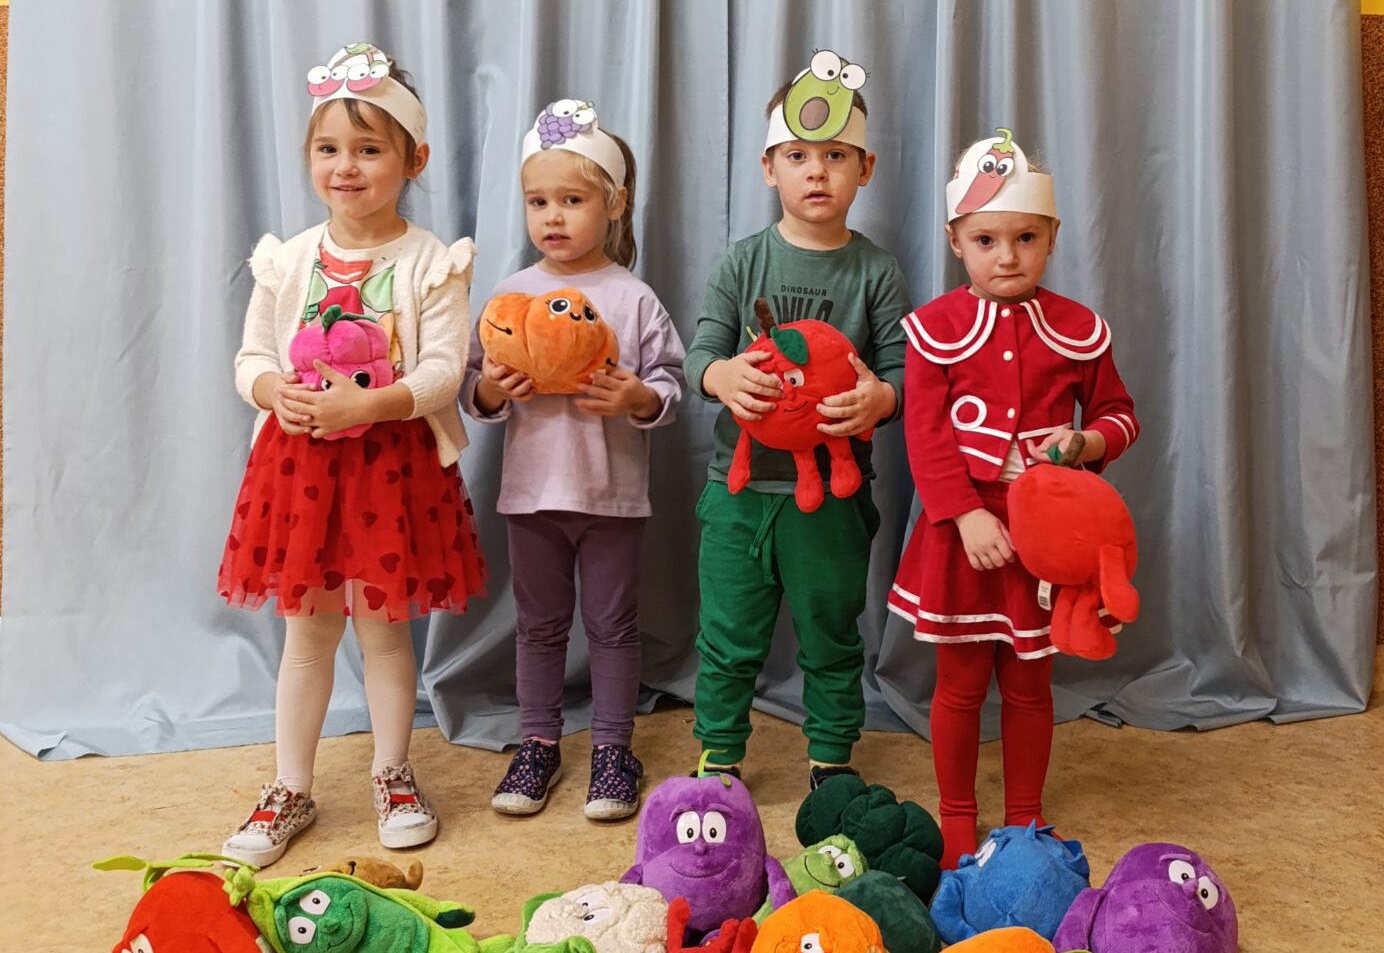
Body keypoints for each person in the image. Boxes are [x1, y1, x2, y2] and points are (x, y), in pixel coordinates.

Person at [218, 43, 485, 861]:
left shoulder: (431, 262)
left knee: (385, 635)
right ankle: (289, 787)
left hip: (388, 474)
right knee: (307, 637)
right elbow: (250, 359)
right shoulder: (288, 259)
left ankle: (393, 772)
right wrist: (274, 390)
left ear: (414, 161)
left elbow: (443, 370)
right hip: (300, 473)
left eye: (368, 149)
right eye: (329, 149)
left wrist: (372, 403)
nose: (346, 167)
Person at [889, 130, 1140, 867]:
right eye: (986, 240)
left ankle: (1025, 816)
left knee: (1031, 684)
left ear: (1052, 237)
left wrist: (1087, 443)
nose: (1007, 256)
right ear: (955, 242)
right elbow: (925, 435)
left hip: (1044, 543)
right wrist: (965, 515)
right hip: (961, 533)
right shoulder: (933, 331)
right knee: (960, 684)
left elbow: (1119, 415)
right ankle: (957, 814)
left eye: (1025, 238)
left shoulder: (1079, 330)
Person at [685, 51, 909, 786]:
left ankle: (831, 762)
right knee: (727, 637)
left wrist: (881, 399)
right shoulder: (741, 263)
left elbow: (905, 373)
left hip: (834, 501)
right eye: (798, 155)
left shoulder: (876, 272)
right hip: (740, 493)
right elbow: (700, 354)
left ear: (865, 169)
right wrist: (721, 376)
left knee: (832, 634)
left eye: (836, 156)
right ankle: (719, 759)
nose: (817, 172)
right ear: (768, 168)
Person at [465, 100, 684, 822]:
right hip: (532, 496)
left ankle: (614, 749)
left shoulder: (633, 297)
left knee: (613, 627)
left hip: (611, 497)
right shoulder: (510, 295)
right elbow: (473, 388)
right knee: (539, 627)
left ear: (613, 205)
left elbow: (670, 384)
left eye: (572, 200)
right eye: (538, 202)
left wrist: (638, 398)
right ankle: (538, 744)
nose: (552, 217)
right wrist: (493, 391)